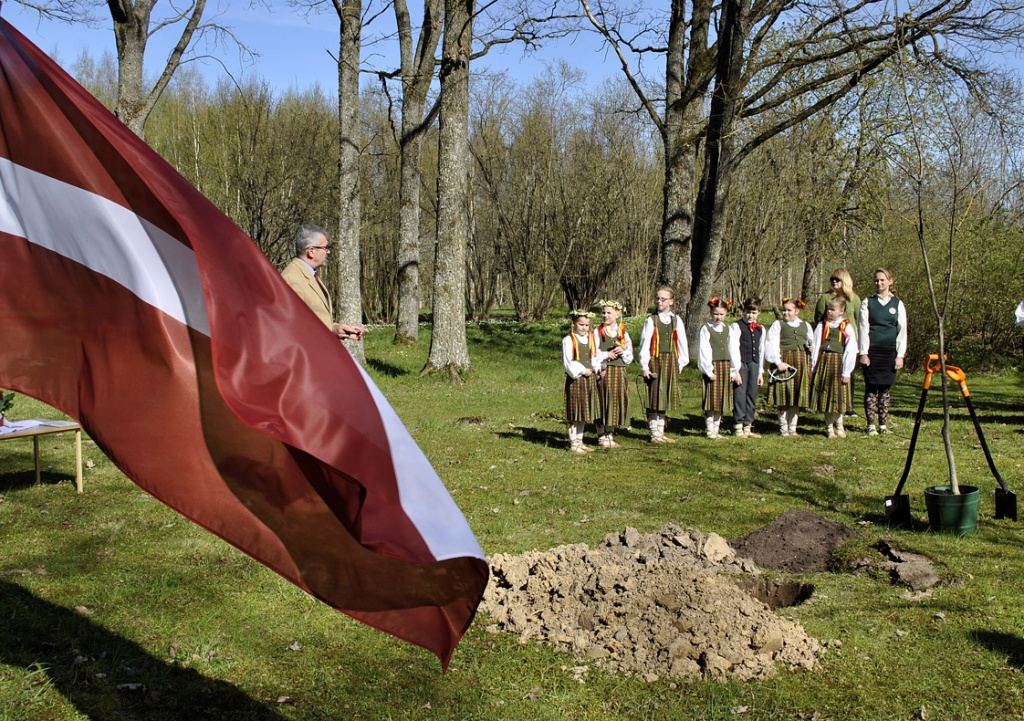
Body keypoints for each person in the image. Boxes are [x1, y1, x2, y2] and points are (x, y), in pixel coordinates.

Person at [281, 224, 366, 341]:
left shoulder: (310, 274)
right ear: (311, 251)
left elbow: (315, 317)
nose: (328, 252)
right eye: (325, 248)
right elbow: (293, 326)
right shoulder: (292, 279)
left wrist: (336, 329)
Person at [859, 267, 907, 436]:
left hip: (889, 352)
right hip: (873, 351)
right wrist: (863, 352)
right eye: (876, 280)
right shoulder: (867, 302)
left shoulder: (898, 304)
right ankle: (871, 424)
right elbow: (863, 328)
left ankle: (883, 425)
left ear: (890, 281)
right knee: (871, 388)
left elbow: (902, 331)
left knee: (885, 390)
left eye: (882, 280)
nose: (879, 283)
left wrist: (900, 355)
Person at [638, 286, 690, 443]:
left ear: (671, 301)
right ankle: (654, 434)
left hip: (671, 362)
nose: (659, 301)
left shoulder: (676, 320)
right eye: (657, 298)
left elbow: (682, 344)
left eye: (663, 299)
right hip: (655, 361)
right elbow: (645, 344)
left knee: (664, 396)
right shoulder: (651, 320)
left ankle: (660, 432)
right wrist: (645, 366)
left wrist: (680, 364)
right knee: (655, 396)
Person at [814, 268, 861, 416]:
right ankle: (826, 402)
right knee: (828, 374)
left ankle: (848, 405)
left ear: (845, 281)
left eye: (838, 279)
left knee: (849, 374)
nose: (834, 282)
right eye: (832, 279)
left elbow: (859, 320)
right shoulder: (825, 298)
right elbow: (819, 318)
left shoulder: (854, 298)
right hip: (830, 340)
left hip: (849, 340)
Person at [810, 296, 859, 438]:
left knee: (837, 397)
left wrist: (847, 372)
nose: (829, 312)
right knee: (826, 396)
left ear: (842, 311)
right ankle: (829, 427)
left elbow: (850, 350)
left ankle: (840, 425)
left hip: (839, 363)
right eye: (828, 309)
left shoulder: (846, 326)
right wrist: (814, 367)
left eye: (833, 309)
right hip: (824, 362)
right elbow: (817, 345)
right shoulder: (822, 325)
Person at [765, 297, 813, 437]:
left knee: (797, 396)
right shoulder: (778, 325)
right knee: (784, 396)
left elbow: (812, 342)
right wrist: (778, 362)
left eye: (789, 310)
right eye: (784, 310)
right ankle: (783, 428)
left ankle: (793, 428)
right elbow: (771, 344)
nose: (785, 313)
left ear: (797, 311)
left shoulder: (806, 325)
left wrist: (811, 347)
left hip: (801, 363)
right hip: (784, 363)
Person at [698, 297, 741, 439]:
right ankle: (710, 430)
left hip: (725, 366)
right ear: (711, 312)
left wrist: (734, 369)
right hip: (713, 366)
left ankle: (716, 430)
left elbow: (733, 349)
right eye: (716, 314)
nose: (719, 317)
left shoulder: (728, 329)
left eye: (722, 314)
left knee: (721, 400)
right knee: (712, 400)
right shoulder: (706, 328)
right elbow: (704, 350)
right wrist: (708, 371)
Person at [594, 300, 633, 449]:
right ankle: (601, 435)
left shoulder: (622, 332)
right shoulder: (597, 333)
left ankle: (610, 434)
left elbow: (629, 356)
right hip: (604, 371)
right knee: (602, 402)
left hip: (619, 372)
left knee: (615, 402)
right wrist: (606, 355)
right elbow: (593, 353)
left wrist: (623, 351)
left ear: (617, 314)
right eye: (603, 312)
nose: (605, 315)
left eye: (609, 312)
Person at [563, 310, 600, 454]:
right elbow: (568, 361)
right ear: (573, 323)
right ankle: (574, 442)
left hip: (589, 379)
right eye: (581, 324)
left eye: (586, 325)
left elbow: (594, 357)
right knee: (575, 411)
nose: (584, 327)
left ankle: (580, 440)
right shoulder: (569, 340)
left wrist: (596, 368)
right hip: (576, 379)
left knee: (583, 411)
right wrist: (583, 370)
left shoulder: (590, 339)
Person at [731, 296, 766, 439]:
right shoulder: (736, 326)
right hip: (741, 363)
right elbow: (733, 348)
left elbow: (761, 350)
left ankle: (748, 425)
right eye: (748, 312)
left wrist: (760, 371)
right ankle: (738, 425)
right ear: (744, 311)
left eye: (754, 312)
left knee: (752, 394)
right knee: (740, 393)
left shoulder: (761, 329)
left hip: (754, 363)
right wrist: (735, 369)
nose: (751, 315)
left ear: (759, 312)